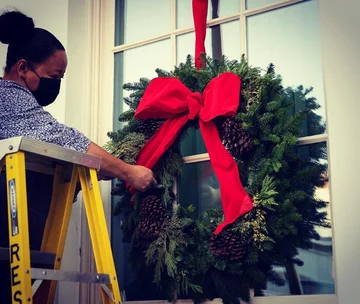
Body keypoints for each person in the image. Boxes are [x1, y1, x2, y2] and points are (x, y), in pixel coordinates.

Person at [0, 10, 155, 302]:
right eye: (53, 76)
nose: (56, 83)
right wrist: (129, 171)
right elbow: (67, 140)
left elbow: (56, 144)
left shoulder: (20, 106)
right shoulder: (7, 99)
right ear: (22, 68)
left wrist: (106, 166)